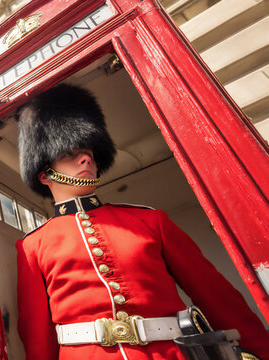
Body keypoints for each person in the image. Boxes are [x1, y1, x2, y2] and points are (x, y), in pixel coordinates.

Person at [15, 84, 269, 360]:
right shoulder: (33, 246)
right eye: (68, 154)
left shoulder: (149, 220)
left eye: (87, 151)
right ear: (44, 174)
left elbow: (216, 296)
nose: (86, 158)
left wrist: (257, 351)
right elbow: (37, 337)